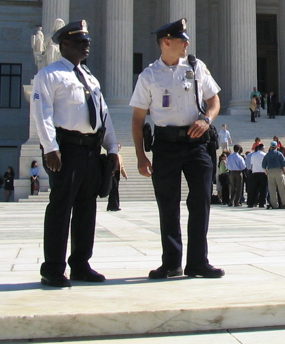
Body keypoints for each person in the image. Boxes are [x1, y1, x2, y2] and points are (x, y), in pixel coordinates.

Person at [130, 18, 223, 280]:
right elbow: (138, 119)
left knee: (201, 201)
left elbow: (214, 100)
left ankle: (198, 262)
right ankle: (171, 263)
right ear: (166, 42)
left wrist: (207, 120)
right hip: (166, 145)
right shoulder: (149, 75)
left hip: (197, 144)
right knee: (168, 204)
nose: (187, 43)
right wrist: (140, 156)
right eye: (183, 39)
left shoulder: (196, 66)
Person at [33, 19, 120, 287]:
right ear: (65, 44)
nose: (87, 46)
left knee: (87, 208)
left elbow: (103, 115)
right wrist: (50, 148)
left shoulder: (90, 77)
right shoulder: (49, 75)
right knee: (61, 207)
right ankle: (53, 268)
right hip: (67, 148)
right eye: (82, 42)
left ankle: (81, 264)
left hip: (91, 150)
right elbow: (42, 114)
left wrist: (113, 148)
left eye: (88, 42)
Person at [263, 140, 285, 209]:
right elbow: (284, 164)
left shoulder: (267, 155)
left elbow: (263, 166)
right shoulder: (279, 154)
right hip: (279, 171)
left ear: (270, 147)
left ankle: (274, 204)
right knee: (282, 189)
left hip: (270, 172)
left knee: (272, 189)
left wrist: (266, 172)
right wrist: (284, 172)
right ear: (276, 147)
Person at [107, 144, 128, 211]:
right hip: (112, 174)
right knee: (113, 189)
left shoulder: (119, 156)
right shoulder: (111, 155)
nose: (118, 148)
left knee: (115, 189)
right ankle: (113, 206)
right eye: (117, 147)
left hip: (117, 173)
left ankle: (113, 206)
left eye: (119, 147)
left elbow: (121, 166)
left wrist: (124, 174)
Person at [247, 142, 267, 208]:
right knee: (263, 190)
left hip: (255, 173)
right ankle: (262, 203)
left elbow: (252, 165)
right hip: (263, 173)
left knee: (253, 189)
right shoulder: (264, 155)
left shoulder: (253, 155)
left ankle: (251, 203)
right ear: (262, 148)